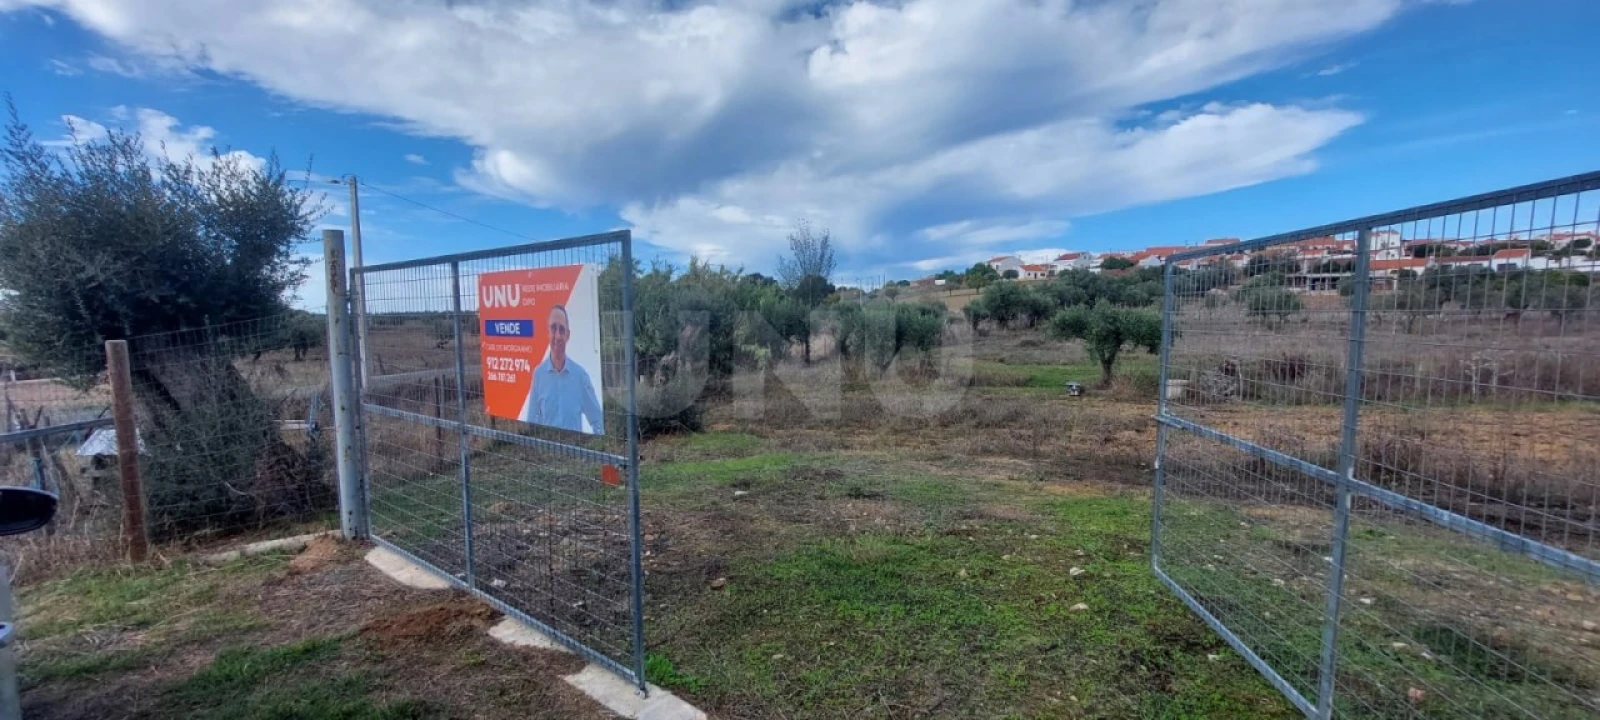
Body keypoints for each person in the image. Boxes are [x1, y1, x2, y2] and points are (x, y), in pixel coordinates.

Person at [520, 304, 604, 433]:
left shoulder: (580, 377)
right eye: (553, 328)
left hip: (573, 451)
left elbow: (597, 421)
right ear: (547, 332)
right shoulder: (538, 375)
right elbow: (532, 420)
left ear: (568, 335)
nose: (558, 336)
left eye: (562, 330)